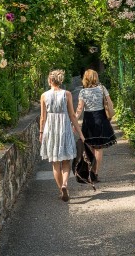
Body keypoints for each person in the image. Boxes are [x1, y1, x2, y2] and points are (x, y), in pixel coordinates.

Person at [39, 69, 85, 202]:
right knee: (66, 161)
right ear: (60, 81)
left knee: (55, 163)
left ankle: (61, 190)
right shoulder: (67, 94)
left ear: (49, 80)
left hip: (51, 129)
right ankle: (65, 184)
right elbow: (72, 115)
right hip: (64, 128)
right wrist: (80, 133)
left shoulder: (44, 96)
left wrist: (41, 132)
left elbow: (43, 117)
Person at [75, 69, 117, 182]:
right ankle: (95, 173)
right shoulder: (102, 88)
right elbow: (110, 103)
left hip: (88, 121)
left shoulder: (83, 92)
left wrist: (74, 122)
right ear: (96, 77)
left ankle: (90, 171)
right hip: (101, 119)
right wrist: (110, 114)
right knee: (99, 149)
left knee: (90, 147)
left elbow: (79, 110)